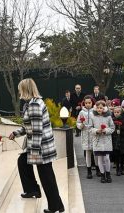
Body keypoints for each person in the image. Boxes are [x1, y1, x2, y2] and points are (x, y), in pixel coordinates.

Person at [9, 78, 64, 213]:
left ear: (25, 90)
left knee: (47, 177)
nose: (19, 91)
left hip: (41, 148)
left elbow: (37, 131)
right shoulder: (31, 103)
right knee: (23, 162)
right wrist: (16, 133)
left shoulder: (34, 105)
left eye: (20, 89)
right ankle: (34, 191)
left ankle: (54, 206)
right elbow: (29, 127)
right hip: (41, 145)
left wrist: (33, 153)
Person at [90, 100, 115, 183]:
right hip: (97, 141)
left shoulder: (108, 117)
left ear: (104, 108)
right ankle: (102, 174)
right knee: (100, 158)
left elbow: (112, 128)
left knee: (107, 158)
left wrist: (105, 131)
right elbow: (90, 128)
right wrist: (97, 131)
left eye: (101, 108)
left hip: (106, 140)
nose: (99, 109)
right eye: (98, 108)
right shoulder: (93, 117)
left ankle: (108, 173)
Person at [76, 95, 99, 179]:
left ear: (92, 102)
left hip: (94, 134)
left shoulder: (95, 111)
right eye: (86, 103)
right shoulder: (82, 112)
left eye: (89, 102)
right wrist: (81, 125)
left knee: (96, 153)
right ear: (84, 103)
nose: (88, 104)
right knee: (88, 153)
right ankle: (89, 170)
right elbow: (78, 122)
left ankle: (97, 169)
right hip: (85, 134)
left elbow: (98, 121)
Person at [111, 106, 124, 176]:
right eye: (115, 112)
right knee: (116, 155)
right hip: (115, 139)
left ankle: (122, 167)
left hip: (122, 140)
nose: (116, 113)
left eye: (118, 112)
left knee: (122, 155)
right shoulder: (112, 120)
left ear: (121, 112)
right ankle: (117, 168)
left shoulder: (123, 120)